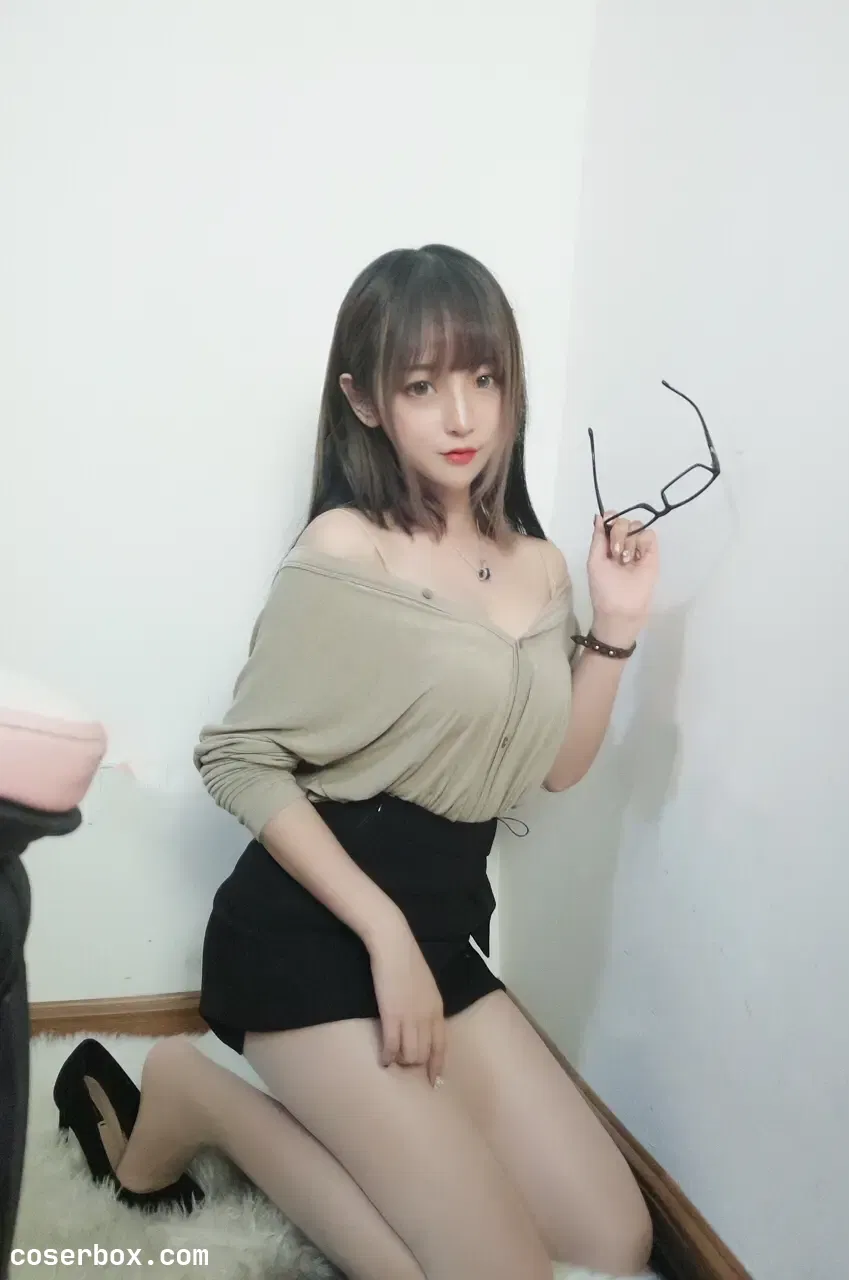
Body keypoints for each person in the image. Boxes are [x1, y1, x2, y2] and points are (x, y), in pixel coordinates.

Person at [52, 244, 660, 1280]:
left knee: (614, 1237)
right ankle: (203, 1097)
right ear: (365, 401)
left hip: (443, 934)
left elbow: (555, 769)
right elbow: (240, 758)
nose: (462, 415)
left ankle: (226, 1099)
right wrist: (382, 933)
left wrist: (616, 627)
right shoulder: (347, 550)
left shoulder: (540, 564)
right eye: (422, 386)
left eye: (484, 378)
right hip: (309, 939)